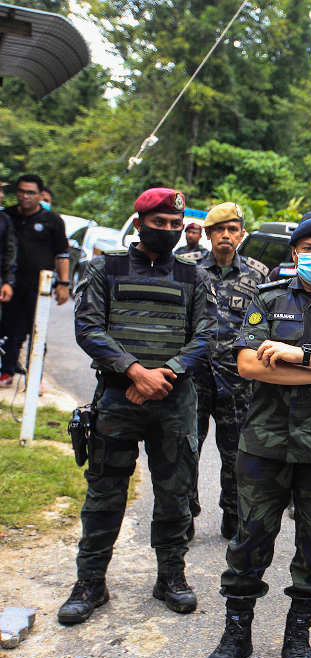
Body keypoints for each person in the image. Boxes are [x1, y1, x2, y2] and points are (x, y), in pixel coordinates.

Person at [204, 214, 311, 658]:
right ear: (295, 252)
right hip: (264, 441)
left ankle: (297, 636)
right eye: (309, 248)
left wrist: (297, 356)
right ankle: (235, 634)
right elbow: (248, 365)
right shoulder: (268, 298)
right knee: (249, 540)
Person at [58, 188, 217, 625]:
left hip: (174, 398)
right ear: (141, 220)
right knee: (104, 492)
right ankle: (91, 582)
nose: (166, 230)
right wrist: (134, 372)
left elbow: (205, 334)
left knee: (175, 495)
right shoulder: (103, 268)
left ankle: (171, 577)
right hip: (117, 397)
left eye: (173, 225)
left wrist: (161, 374)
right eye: (158, 222)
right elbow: (88, 327)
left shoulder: (195, 277)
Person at [182, 203, 268, 539]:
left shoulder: (258, 274)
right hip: (193, 380)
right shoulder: (186, 268)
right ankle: (185, 515)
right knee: (186, 450)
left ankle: (233, 515)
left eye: (233, 229)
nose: (226, 236)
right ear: (207, 234)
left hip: (237, 382)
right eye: (219, 229)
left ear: (242, 234)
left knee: (237, 456)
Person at [0, 174, 70, 387]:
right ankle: (6, 371)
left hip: (39, 286)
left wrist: (63, 284)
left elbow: (62, 254)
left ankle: (35, 376)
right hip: (10, 284)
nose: (24, 196)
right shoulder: (7, 216)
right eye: (21, 191)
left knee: (36, 331)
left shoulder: (52, 220)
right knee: (7, 330)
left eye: (30, 192)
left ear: (41, 195)